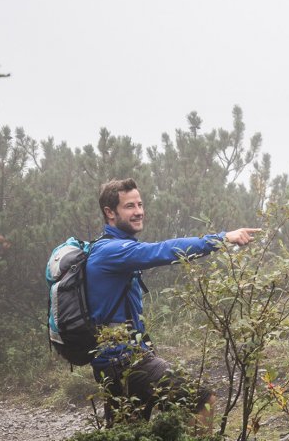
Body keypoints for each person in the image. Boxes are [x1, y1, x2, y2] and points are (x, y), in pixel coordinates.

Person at [88, 178, 260, 427]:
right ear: (110, 212)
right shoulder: (112, 251)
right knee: (202, 400)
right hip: (125, 360)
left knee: (127, 432)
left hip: (112, 363)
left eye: (140, 204)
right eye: (129, 206)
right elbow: (164, 250)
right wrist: (222, 238)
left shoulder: (107, 249)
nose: (139, 212)